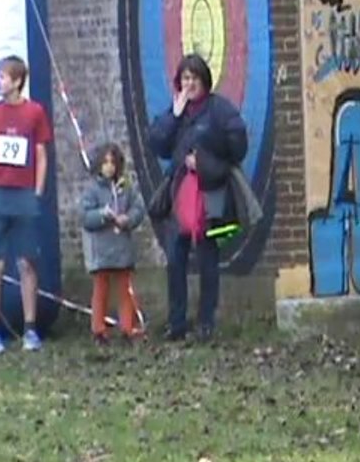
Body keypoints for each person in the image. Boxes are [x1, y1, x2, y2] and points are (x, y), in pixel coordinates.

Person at [148, 54, 247, 342]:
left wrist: (204, 161)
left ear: (204, 80)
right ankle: (176, 321)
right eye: (184, 79)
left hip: (210, 195)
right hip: (181, 193)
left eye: (194, 79)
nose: (189, 85)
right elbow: (158, 143)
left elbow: (237, 147)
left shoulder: (219, 110)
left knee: (207, 258)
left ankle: (206, 321)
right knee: (175, 257)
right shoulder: (176, 112)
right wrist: (173, 116)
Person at [0, 55, 52, 353]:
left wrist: (37, 189)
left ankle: (30, 329)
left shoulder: (34, 112)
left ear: (17, 81)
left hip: (24, 195)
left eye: (2, 77)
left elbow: (41, 153)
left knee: (27, 262)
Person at [81, 142, 145, 346]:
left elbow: (138, 208)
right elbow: (85, 217)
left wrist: (128, 219)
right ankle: (98, 329)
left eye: (113, 162)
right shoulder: (92, 190)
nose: (109, 167)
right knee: (101, 290)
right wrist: (102, 215)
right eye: (105, 162)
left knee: (125, 290)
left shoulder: (126, 186)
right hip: (101, 251)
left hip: (122, 249)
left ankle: (128, 328)